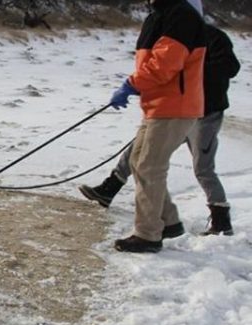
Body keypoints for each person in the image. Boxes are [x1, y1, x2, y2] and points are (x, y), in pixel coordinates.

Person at [80, 21, 240, 238]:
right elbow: (159, 68)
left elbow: (230, 67)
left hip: (205, 113)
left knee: (203, 168)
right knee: (140, 149)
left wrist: (189, 75)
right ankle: (109, 189)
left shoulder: (213, 37)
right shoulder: (170, 34)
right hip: (174, 109)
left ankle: (221, 220)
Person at [96, 0, 206, 253]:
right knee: (138, 161)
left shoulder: (181, 15)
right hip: (159, 104)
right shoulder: (160, 14)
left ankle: (148, 234)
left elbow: (165, 64)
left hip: (175, 106)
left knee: (150, 166)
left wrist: (132, 84)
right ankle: (168, 221)